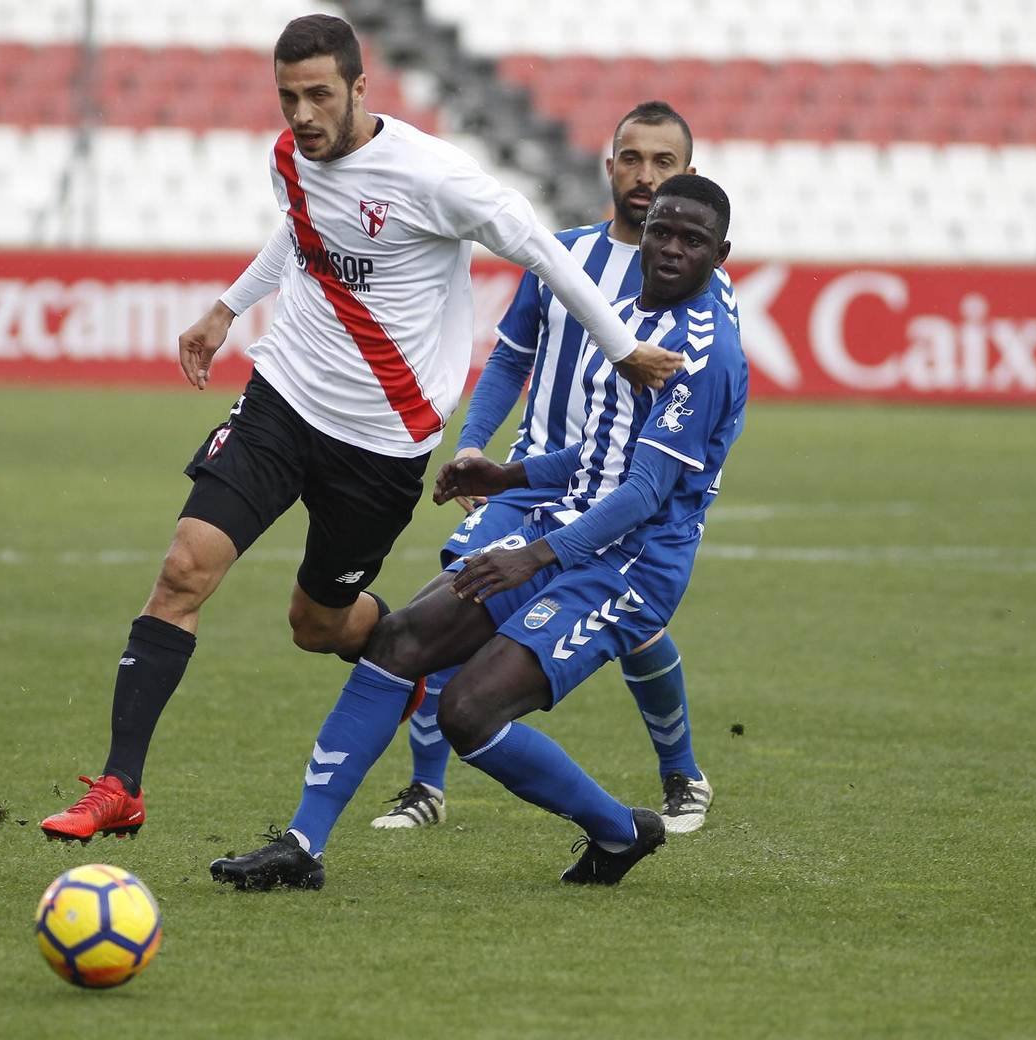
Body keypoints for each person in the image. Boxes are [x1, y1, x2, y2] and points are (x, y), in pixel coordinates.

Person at [40, 14, 682, 843]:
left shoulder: (432, 176)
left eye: (318, 96)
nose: (301, 115)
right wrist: (227, 309)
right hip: (284, 395)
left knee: (318, 627)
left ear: (358, 89)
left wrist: (623, 347)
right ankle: (120, 785)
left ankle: (407, 650)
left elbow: (541, 250)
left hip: (380, 444)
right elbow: (301, 227)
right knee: (183, 569)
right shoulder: (290, 158)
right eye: (287, 97)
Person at [211, 174, 746, 890]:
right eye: (663, 232)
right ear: (643, 233)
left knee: (468, 712)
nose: (673, 248)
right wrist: (507, 477)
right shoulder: (622, 315)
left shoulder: (706, 350)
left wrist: (535, 555)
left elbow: (646, 492)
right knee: (401, 642)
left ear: (721, 253)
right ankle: (301, 845)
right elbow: (599, 458)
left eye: (694, 240)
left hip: (629, 567)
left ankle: (620, 832)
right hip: (566, 528)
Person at [372, 101, 732, 834]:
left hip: (624, 494)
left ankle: (680, 773)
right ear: (609, 165)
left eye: (663, 163)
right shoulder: (560, 254)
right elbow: (511, 356)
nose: (644, 174)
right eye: (632, 158)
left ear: (686, 176)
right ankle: (425, 786)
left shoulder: (699, 292)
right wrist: (478, 445)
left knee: (633, 630)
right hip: (535, 479)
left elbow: (699, 402)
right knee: (457, 602)